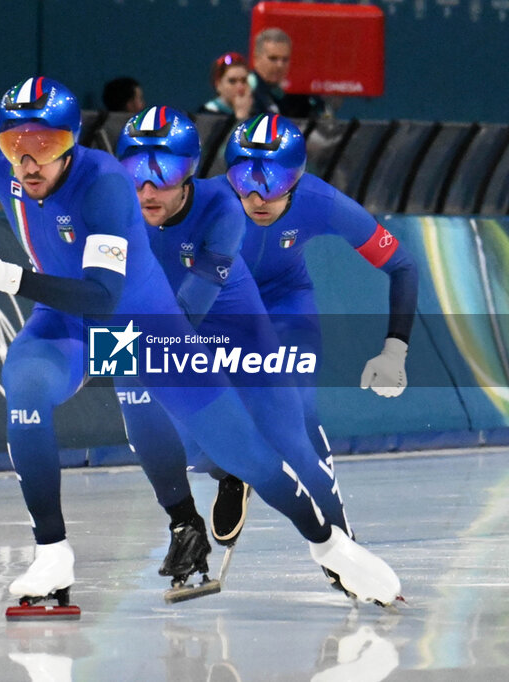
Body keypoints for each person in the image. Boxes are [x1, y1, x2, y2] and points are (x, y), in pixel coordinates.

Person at [0, 69, 402, 609]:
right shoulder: (10, 165)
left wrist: (8, 276)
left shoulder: (107, 187)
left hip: (143, 324)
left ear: (72, 144)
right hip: (69, 321)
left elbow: (101, 297)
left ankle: (329, 545)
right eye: (13, 148)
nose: (27, 163)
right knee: (26, 386)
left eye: (43, 149)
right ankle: (57, 551)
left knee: (244, 454)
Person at [113, 106, 365, 566]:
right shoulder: (114, 207)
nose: (148, 188)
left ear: (189, 173)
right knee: (179, 447)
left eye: (165, 172)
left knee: (292, 443)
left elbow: (186, 313)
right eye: (135, 171)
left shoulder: (224, 209)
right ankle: (230, 473)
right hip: (174, 332)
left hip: (238, 334)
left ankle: (345, 550)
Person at [210, 113, 419, 541]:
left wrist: (395, 349)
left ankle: (340, 539)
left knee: (300, 413)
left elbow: (403, 265)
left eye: (275, 181)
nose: (258, 196)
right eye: (244, 179)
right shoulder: (203, 201)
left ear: (299, 179)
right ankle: (232, 472)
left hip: (288, 304)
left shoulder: (321, 202)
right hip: (224, 304)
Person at [248, 28, 324, 120]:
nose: (280, 65)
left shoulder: (296, 97)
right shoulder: (246, 90)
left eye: (285, 59)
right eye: (273, 58)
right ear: (256, 59)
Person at [199, 52, 252, 121]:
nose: (240, 87)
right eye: (232, 81)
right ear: (218, 84)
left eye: (244, 81)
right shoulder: (206, 115)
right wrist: (241, 117)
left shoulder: (257, 111)